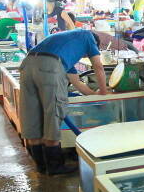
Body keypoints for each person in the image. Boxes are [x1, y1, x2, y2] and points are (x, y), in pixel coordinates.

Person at [19, 29, 109, 175]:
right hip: (49, 67)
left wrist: (94, 96)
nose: (84, 56)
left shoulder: (64, 47)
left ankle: (41, 166)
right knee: (53, 113)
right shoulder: (88, 36)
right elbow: (98, 66)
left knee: (32, 114)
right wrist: (104, 94)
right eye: (86, 54)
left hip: (27, 65)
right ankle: (55, 167)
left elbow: (77, 83)